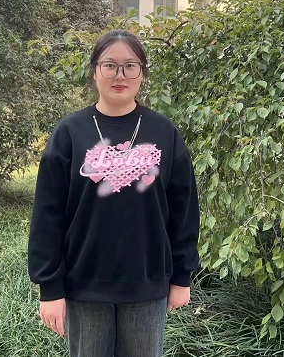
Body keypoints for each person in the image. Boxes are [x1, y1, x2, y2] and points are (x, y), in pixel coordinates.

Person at [28, 29, 200, 357]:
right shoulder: (70, 132)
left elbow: (184, 209)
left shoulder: (164, 132)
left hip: (147, 284)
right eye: (110, 65)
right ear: (95, 71)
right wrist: (49, 287)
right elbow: (47, 214)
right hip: (84, 284)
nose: (120, 75)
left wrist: (182, 275)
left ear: (142, 73)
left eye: (130, 66)